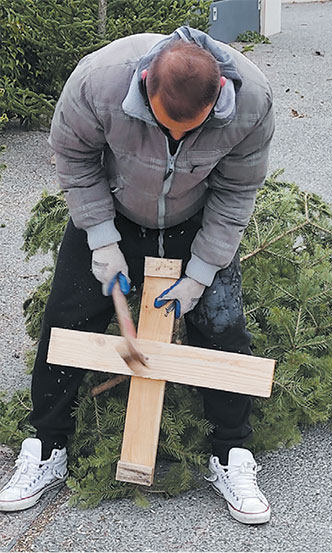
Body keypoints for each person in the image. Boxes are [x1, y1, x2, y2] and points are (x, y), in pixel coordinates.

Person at [0, 26, 275, 525]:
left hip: (197, 216)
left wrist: (202, 273)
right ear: (145, 84)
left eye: (189, 130)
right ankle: (45, 447)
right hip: (114, 205)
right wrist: (102, 239)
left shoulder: (252, 100)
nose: (176, 139)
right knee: (66, 321)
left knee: (223, 329)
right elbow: (75, 159)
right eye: (167, 126)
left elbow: (237, 192)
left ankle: (230, 454)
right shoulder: (98, 80)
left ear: (218, 99)